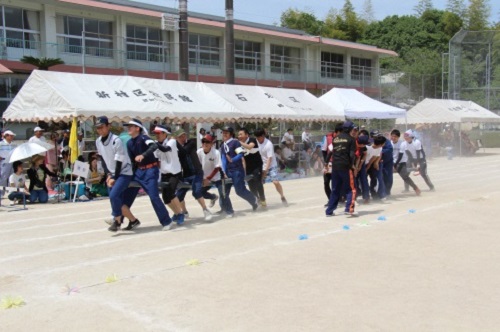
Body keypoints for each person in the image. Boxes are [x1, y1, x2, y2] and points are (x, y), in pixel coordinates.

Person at [125, 119, 173, 230]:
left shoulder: (144, 138)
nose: (128, 128)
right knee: (127, 195)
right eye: (128, 126)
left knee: (154, 197)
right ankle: (119, 220)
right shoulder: (129, 143)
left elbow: (154, 146)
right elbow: (133, 161)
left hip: (150, 170)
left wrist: (143, 155)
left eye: (131, 126)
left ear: (138, 128)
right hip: (138, 172)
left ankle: (167, 221)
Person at [95, 116, 140, 232]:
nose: (100, 130)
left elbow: (119, 161)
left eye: (102, 127)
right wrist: (108, 174)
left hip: (124, 172)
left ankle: (116, 220)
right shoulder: (98, 141)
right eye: (98, 128)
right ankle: (133, 220)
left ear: (108, 126)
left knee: (114, 195)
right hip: (112, 173)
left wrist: (114, 177)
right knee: (116, 200)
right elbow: (102, 159)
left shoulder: (116, 140)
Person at [175, 128, 213, 221]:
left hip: (197, 173)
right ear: (177, 138)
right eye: (180, 136)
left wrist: (175, 143)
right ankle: (184, 212)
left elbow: (184, 151)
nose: (183, 137)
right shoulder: (177, 149)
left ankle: (205, 210)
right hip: (186, 174)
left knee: (196, 192)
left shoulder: (191, 143)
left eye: (184, 135)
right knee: (179, 195)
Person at [153, 125, 185, 225]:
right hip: (164, 173)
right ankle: (176, 213)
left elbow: (165, 149)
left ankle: (180, 213)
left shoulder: (172, 141)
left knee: (171, 193)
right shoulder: (157, 144)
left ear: (164, 133)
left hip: (175, 173)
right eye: (155, 133)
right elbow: (157, 157)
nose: (156, 135)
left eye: (158, 133)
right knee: (165, 198)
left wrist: (154, 144)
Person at [221, 126, 258, 211]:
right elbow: (223, 158)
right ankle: (228, 211)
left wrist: (232, 160)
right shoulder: (223, 145)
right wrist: (224, 170)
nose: (224, 134)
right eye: (223, 132)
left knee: (239, 191)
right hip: (228, 171)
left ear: (230, 134)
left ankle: (253, 199)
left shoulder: (235, 143)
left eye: (226, 132)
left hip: (237, 171)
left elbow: (240, 154)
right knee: (224, 192)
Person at [324, 121, 357, 217]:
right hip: (346, 166)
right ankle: (349, 209)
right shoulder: (351, 139)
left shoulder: (336, 139)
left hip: (335, 166)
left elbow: (330, 152)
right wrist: (352, 165)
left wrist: (326, 163)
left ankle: (329, 211)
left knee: (335, 189)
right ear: (350, 129)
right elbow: (351, 155)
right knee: (351, 189)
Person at [197, 134, 234, 217]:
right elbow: (197, 166)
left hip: (217, 176)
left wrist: (208, 178)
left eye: (207, 142)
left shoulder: (216, 152)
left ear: (212, 144)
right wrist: (202, 178)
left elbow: (217, 167)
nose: (205, 143)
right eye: (203, 141)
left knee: (223, 194)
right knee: (200, 192)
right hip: (205, 177)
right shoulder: (199, 152)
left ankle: (229, 211)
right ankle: (213, 197)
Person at [254, 129, 289, 207]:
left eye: (259, 137)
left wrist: (266, 170)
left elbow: (269, 159)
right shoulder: (256, 142)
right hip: (262, 165)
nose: (257, 139)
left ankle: (282, 196)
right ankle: (260, 199)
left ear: (263, 136)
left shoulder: (268, 144)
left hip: (271, 165)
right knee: (259, 183)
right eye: (256, 137)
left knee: (275, 182)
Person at [238, 128, 267, 207]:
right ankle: (257, 199)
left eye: (241, 134)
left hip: (257, 166)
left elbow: (249, 147)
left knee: (258, 182)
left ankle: (263, 199)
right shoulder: (238, 144)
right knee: (251, 185)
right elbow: (239, 155)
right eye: (238, 135)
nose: (239, 136)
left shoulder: (252, 140)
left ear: (246, 135)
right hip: (248, 168)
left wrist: (239, 142)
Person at [391, 129, 421, 196]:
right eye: (392, 136)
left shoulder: (402, 143)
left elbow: (402, 154)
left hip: (401, 162)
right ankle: (386, 192)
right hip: (392, 162)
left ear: (398, 137)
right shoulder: (390, 143)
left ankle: (415, 188)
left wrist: (395, 165)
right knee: (387, 176)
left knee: (405, 177)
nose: (393, 138)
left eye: (395, 136)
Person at [366, 135, 387, 200]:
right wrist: (365, 169)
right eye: (384, 143)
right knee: (363, 180)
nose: (385, 144)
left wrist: (375, 163)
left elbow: (374, 157)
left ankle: (374, 194)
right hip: (362, 164)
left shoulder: (379, 148)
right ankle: (366, 196)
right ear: (381, 144)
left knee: (374, 179)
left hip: (370, 163)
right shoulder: (368, 148)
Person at [0, 130, 16, 196]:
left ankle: (11, 193)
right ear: (6, 136)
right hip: (4, 161)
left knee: (11, 178)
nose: (12, 137)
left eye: (12, 136)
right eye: (11, 136)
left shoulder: (14, 144)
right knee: (3, 178)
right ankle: (1, 193)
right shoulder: (1, 143)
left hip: (12, 161)